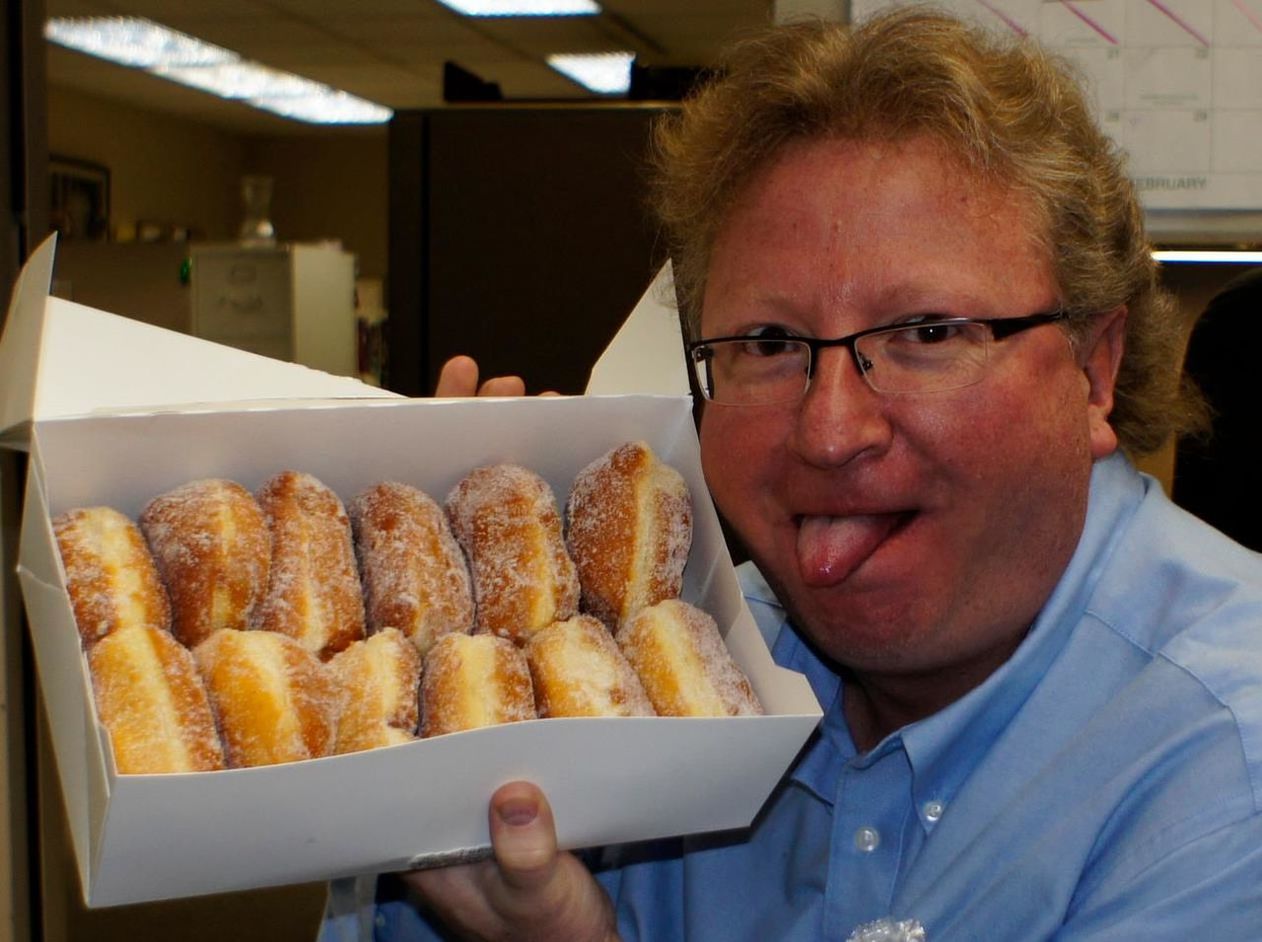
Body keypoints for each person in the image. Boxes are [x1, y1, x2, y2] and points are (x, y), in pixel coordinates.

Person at [323, 7, 1262, 940]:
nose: (829, 429)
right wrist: (441, 711)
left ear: (1094, 373)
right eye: (768, 344)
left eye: (926, 333)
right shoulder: (681, 672)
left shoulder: (1226, 760)